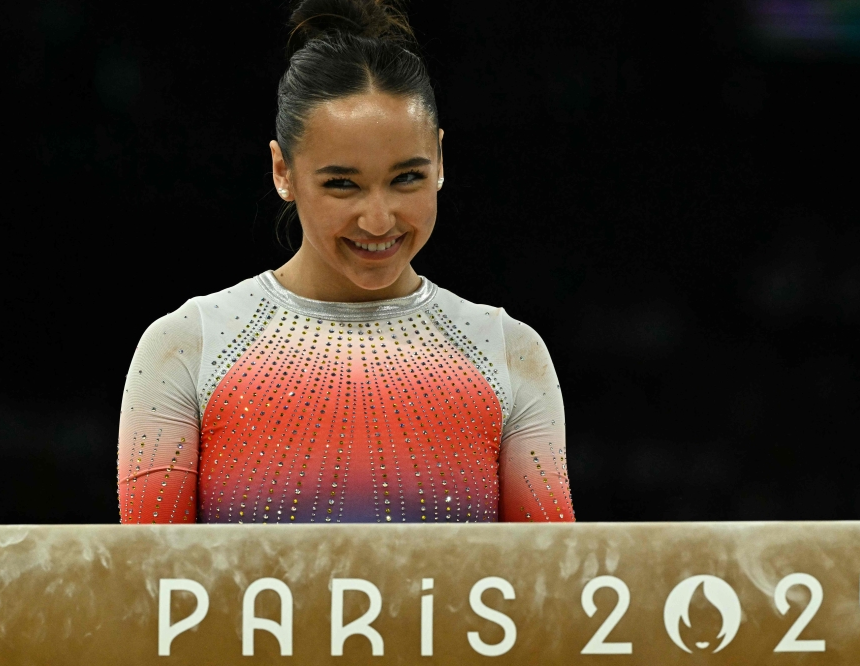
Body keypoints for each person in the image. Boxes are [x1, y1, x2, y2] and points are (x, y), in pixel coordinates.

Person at [117, 0, 574, 524]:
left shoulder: (509, 354)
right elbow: (152, 593)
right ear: (283, 170)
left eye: (407, 178)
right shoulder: (187, 349)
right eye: (342, 184)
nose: (378, 220)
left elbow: (547, 592)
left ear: (441, 161)